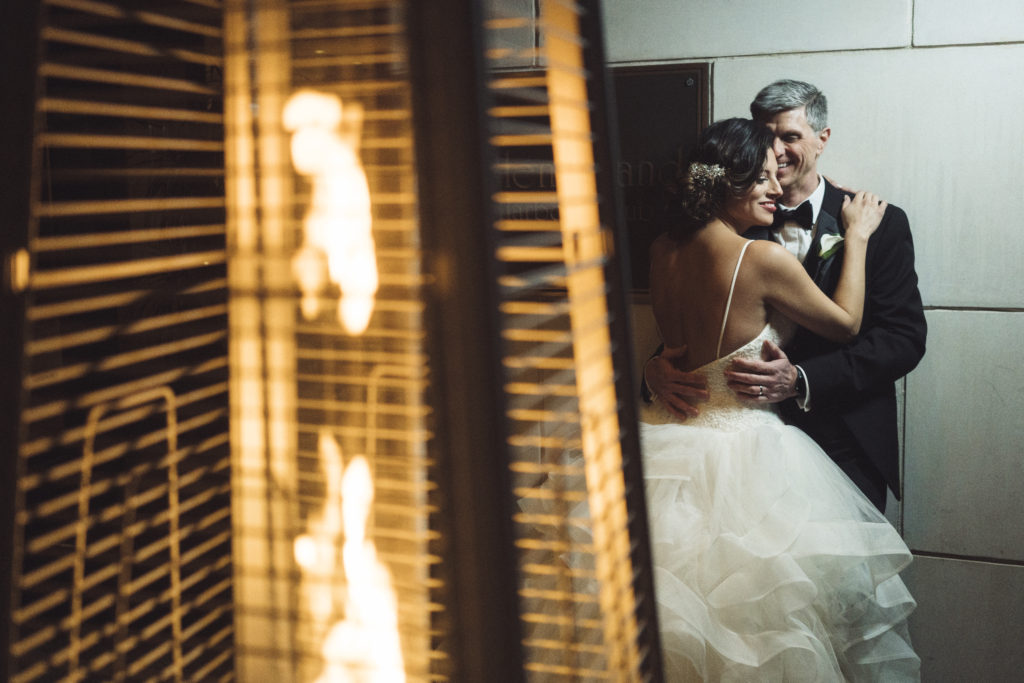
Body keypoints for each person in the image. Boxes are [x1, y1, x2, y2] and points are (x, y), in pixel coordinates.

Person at [639, 117, 919, 680]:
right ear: (726, 182)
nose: (776, 186)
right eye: (762, 177)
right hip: (746, 457)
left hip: (666, 448)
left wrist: (652, 371)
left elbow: (677, 344)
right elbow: (845, 323)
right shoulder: (759, 257)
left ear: (822, 137)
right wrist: (856, 239)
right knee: (762, 628)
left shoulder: (662, 250)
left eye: (777, 172)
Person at [643, 79, 927, 512]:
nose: (776, 150)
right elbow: (699, 330)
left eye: (789, 136)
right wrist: (654, 371)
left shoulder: (875, 223)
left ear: (822, 139)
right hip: (730, 455)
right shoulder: (731, 225)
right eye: (766, 136)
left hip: (843, 441)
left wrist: (802, 381)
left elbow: (902, 338)